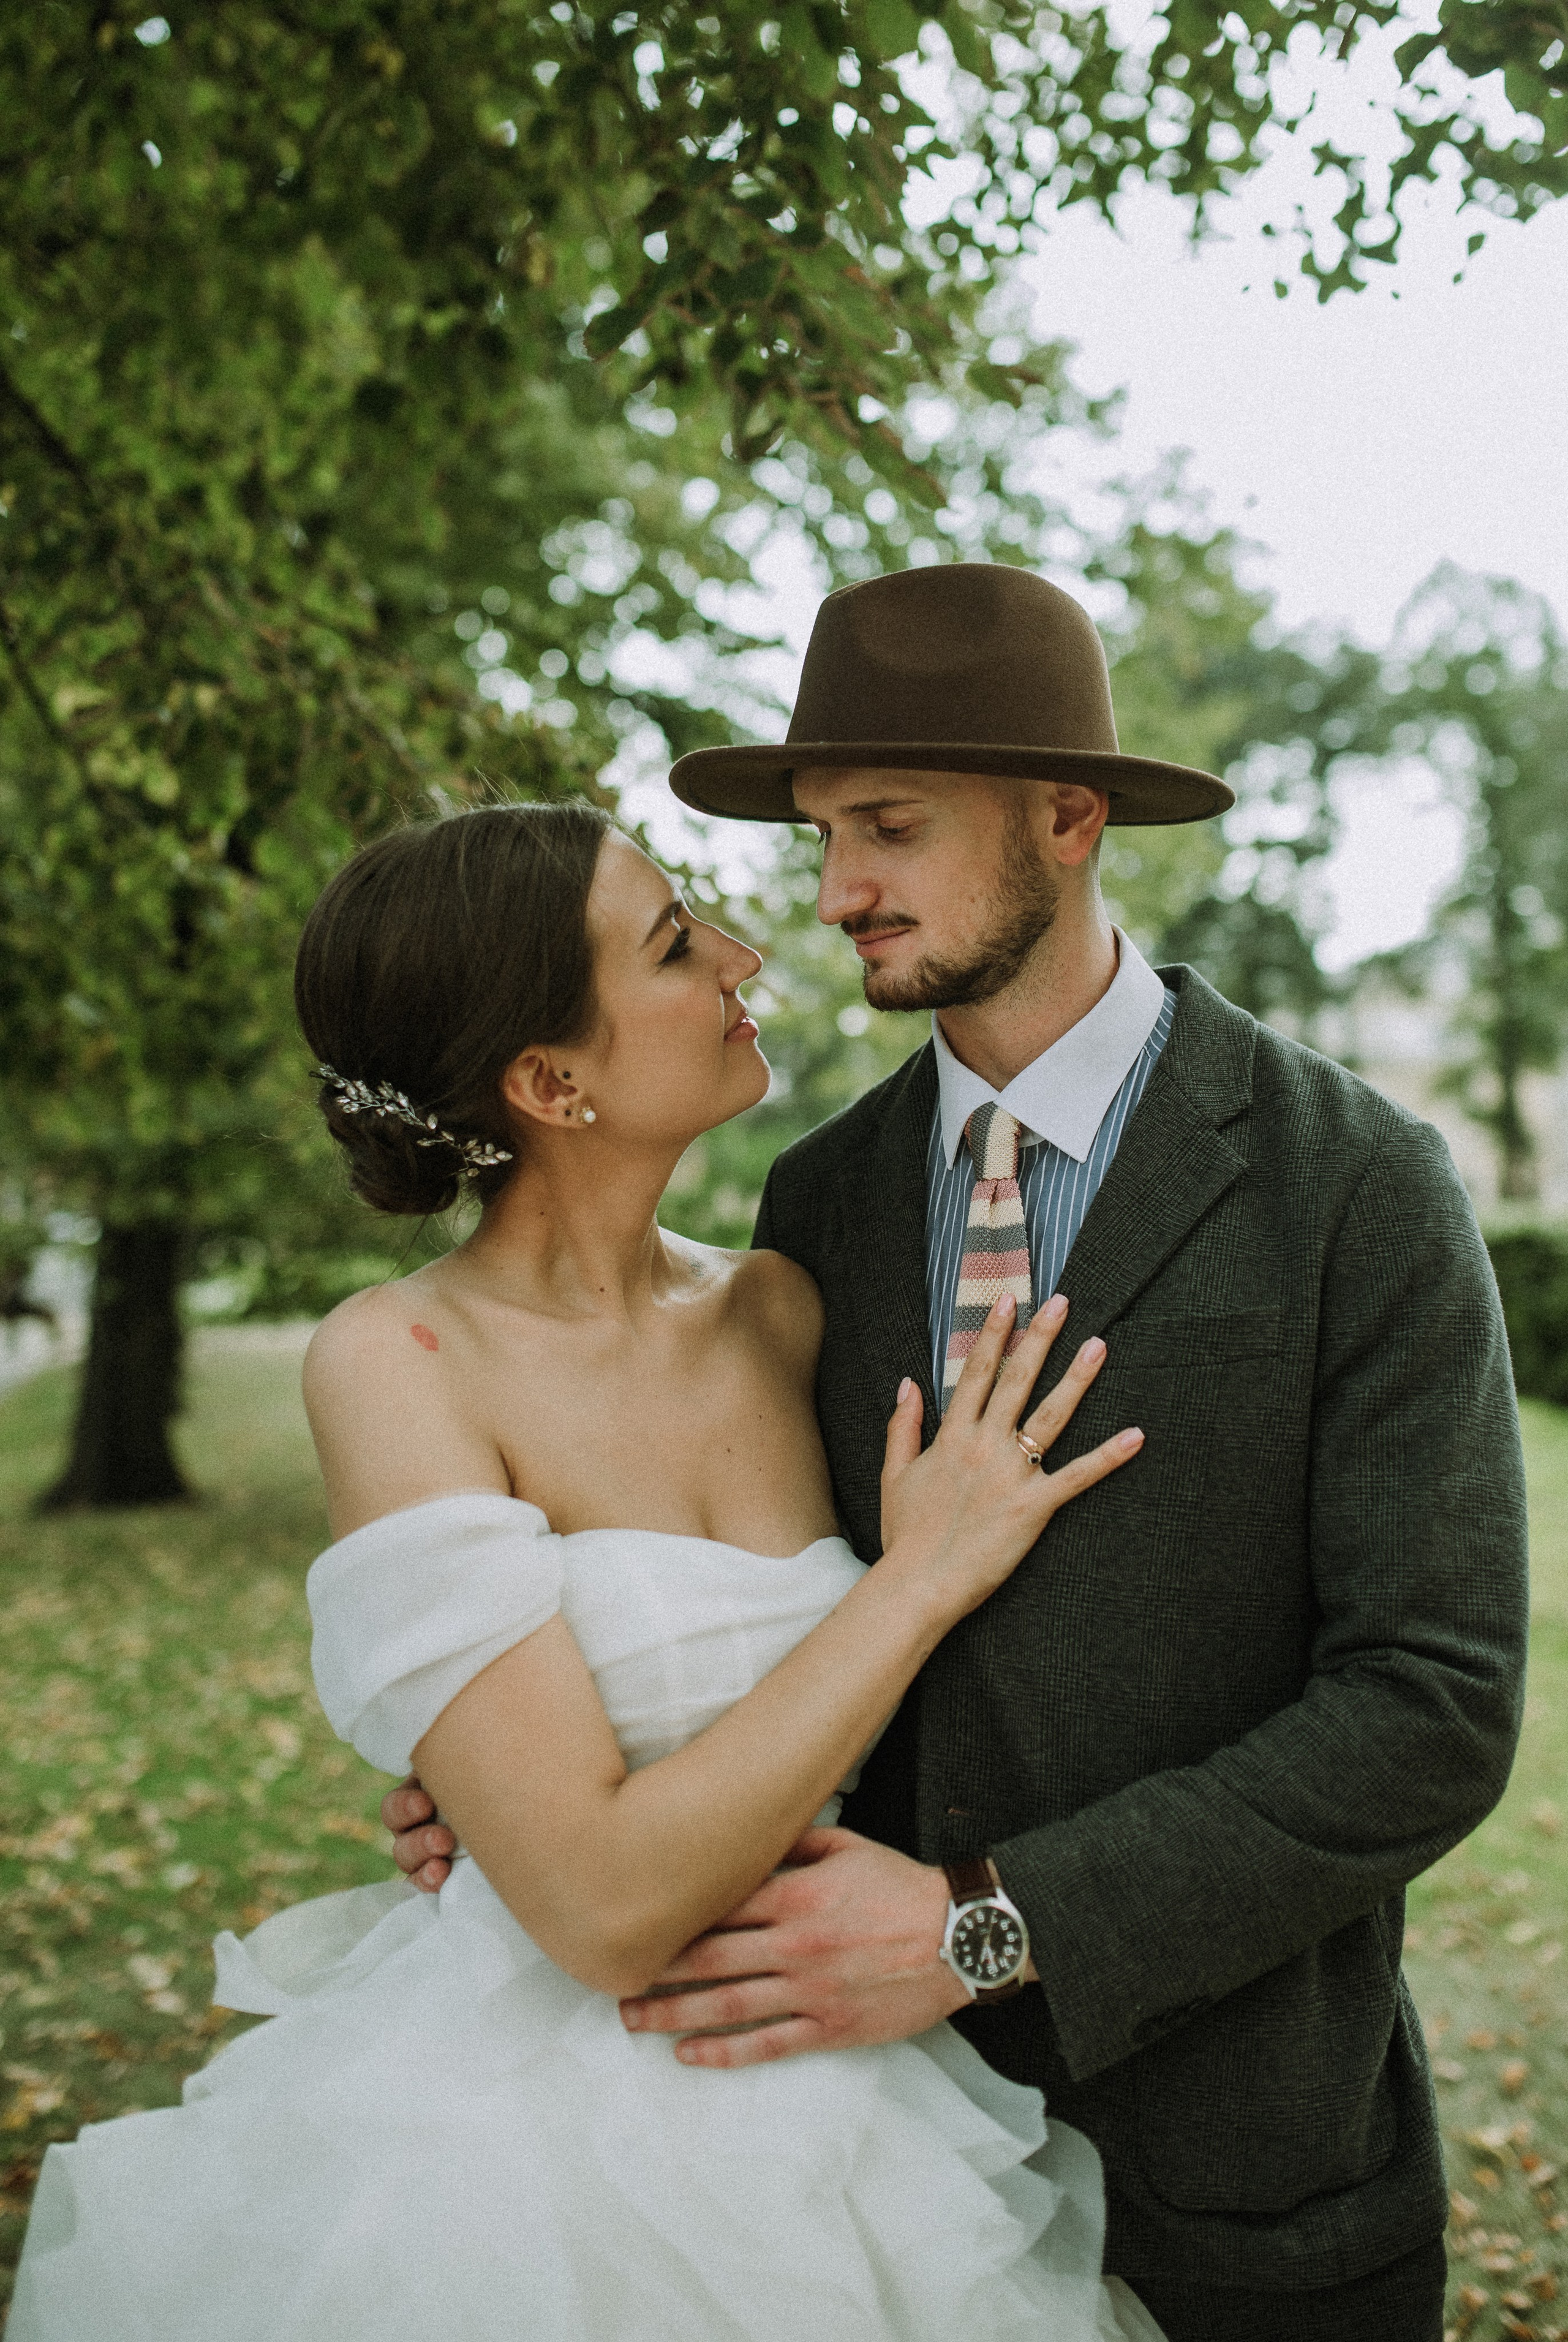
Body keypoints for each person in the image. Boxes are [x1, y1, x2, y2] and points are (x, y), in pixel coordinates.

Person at [386, 564, 1531, 2342]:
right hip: (845, 2183)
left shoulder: (1357, 1181)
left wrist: (988, 1929)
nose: (837, 893)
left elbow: (1432, 1705)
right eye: (829, 833)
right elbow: (769, 1592)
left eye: (892, 830)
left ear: (1069, 820)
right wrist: (543, 1773)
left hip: (1241, 2174)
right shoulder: (815, 1205)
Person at [10, 795, 1165, 2341]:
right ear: (551, 1079)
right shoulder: (401, 1357)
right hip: (529, 2149)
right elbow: (604, 1910)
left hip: (856, 2085)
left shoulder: (782, 1308)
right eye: (678, 946)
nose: (749, 953)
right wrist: (911, 1578)